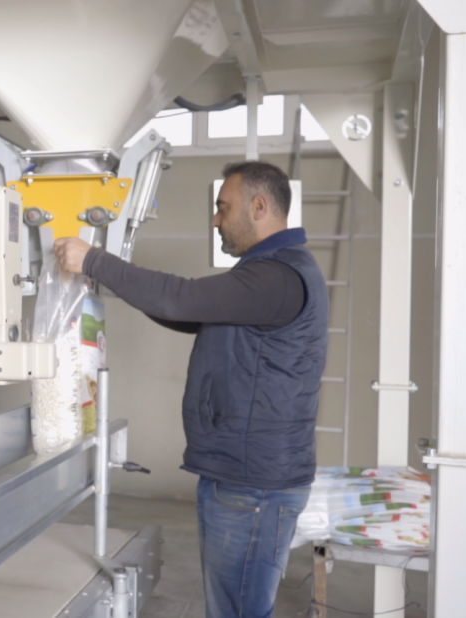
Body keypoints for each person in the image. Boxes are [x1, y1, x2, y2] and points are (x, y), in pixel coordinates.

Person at [55, 161, 328, 618]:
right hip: (245, 477)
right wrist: (110, 279)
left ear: (259, 207)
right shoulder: (271, 273)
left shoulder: (277, 277)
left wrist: (95, 260)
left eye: (224, 208)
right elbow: (186, 311)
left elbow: (181, 298)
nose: (216, 220)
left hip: (252, 485)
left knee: (237, 611)